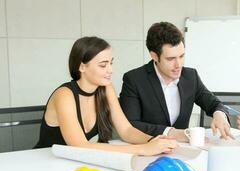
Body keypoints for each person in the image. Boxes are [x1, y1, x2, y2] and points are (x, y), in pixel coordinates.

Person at [34, 36, 178, 156]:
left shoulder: (106, 88)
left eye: (111, 63)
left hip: (73, 163)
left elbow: (126, 130)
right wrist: (142, 149)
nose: (110, 70)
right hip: (44, 163)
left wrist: (152, 140)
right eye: (103, 65)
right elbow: (78, 145)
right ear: (82, 67)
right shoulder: (64, 95)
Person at [119, 22, 232, 142]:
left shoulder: (190, 76)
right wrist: (172, 133)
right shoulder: (134, 79)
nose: (178, 65)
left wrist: (219, 114)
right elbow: (130, 125)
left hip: (183, 151)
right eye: (171, 59)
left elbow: (214, 104)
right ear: (154, 56)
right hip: (147, 150)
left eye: (181, 56)